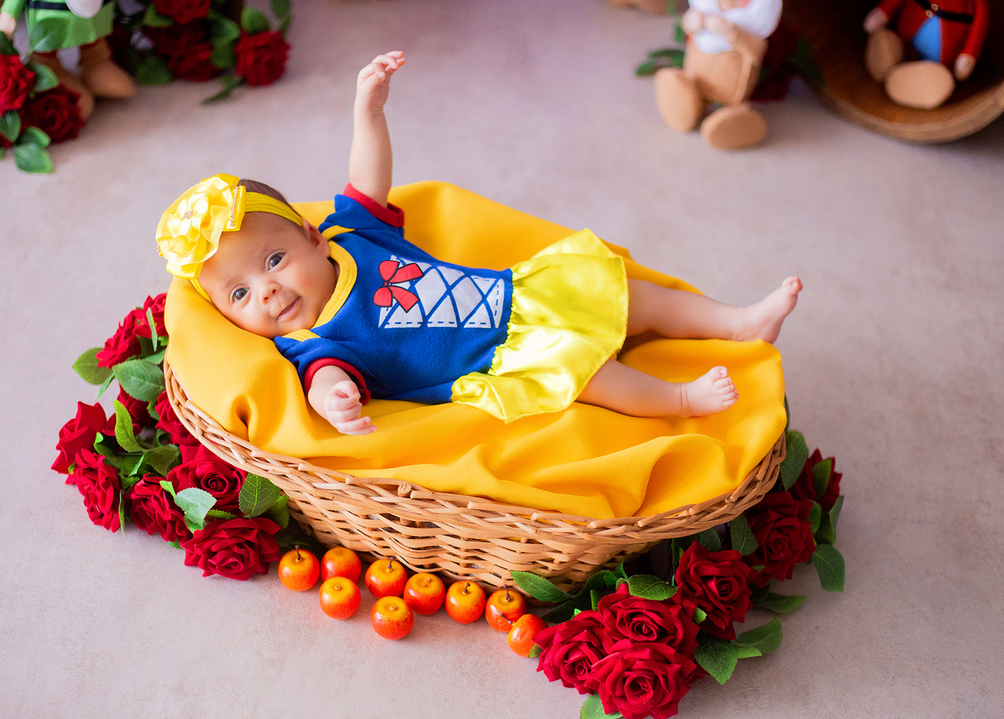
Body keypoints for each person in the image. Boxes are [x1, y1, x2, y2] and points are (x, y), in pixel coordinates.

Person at [156, 51, 801, 436]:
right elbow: (326, 382)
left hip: (512, 294)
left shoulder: (351, 236)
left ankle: (737, 321)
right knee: (590, 376)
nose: (267, 290)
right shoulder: (313, 343)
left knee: (627, 293)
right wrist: (336, 406)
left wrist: (368, 112)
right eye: (240, 294)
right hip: (495, 359)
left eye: (273, 261)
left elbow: (367, 178)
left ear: (310, 236)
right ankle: (680, 400)